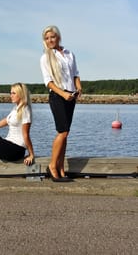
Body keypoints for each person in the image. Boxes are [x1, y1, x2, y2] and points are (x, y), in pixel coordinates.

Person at [40, 25, 82, 182]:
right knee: (62, 132)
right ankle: (52, 166)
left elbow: (75, 74)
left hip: (71, 96)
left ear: (58, 37)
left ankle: (61, 167)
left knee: (66, 134)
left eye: (52, 37)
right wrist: (63, 94)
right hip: (58, 96)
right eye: (47, 38)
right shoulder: (45, 57)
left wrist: (78, 87)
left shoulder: (70, 54)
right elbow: (48, 82)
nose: (50, 40)